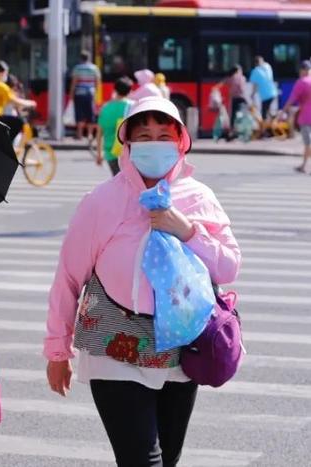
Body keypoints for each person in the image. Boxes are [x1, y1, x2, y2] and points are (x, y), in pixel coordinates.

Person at [44, 96, 241, 467]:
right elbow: (69, 278)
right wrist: (58, 351)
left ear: (181, 142)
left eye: (164, 136)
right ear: (128, 145)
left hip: (183, 347)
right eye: (144, 136)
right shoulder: (102, 201)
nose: (154, 145)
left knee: (168, 459)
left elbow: (228, 266)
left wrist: (185, 229)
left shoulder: (199, 198)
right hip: (115, 345)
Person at [0, 60, 36, 142]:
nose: (6, 77)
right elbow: (15, 101)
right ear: (1, 73)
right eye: (6, 74)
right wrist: (30, 103)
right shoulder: (0, 86)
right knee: (19, 122)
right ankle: (7, 145)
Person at [96, 77, 133, 176]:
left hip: (110, 153)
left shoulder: (105, 108)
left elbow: (99, 134)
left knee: (117, 182)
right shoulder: (132, 106)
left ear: (115, 90)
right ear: (130, 90)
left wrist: (99, 154)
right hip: (129, 153)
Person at [280, 60, 311, 174]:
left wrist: (282, 112)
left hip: (307, 118)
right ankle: (303, 165)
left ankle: (304, 166)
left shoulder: (301, 82)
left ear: (302, 70)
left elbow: (292, 99)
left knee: (308, 143)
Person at [69, 50, 101, 139]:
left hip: (79, 93)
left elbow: (74, 82)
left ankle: (79, 134)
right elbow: (98, 82)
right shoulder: (95, 68)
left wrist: (71, 94)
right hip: (90, 93)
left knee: (79, 113)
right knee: (90, 113)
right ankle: (90, 134)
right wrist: (95, 93)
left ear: (80, 58)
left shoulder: (77, 68)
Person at [218, 65, 249, 138]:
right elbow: (242, 89)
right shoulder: (242, 78)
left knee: (233, 115)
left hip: (234, 98)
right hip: (241, 98)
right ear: (238, 70)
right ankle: (239, 131)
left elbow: (224, 82)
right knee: (241, 114)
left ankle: (231, 131)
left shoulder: (231, 78)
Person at [249, 55, 277, 121]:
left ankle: (265, 129)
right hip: (274, 92)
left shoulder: (255, 71)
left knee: (264, 113)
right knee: (268, 110)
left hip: (266, 95)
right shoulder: (268, 66)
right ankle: (273, 119)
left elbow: (255, 86)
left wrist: (252, 95)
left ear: (255, 63)